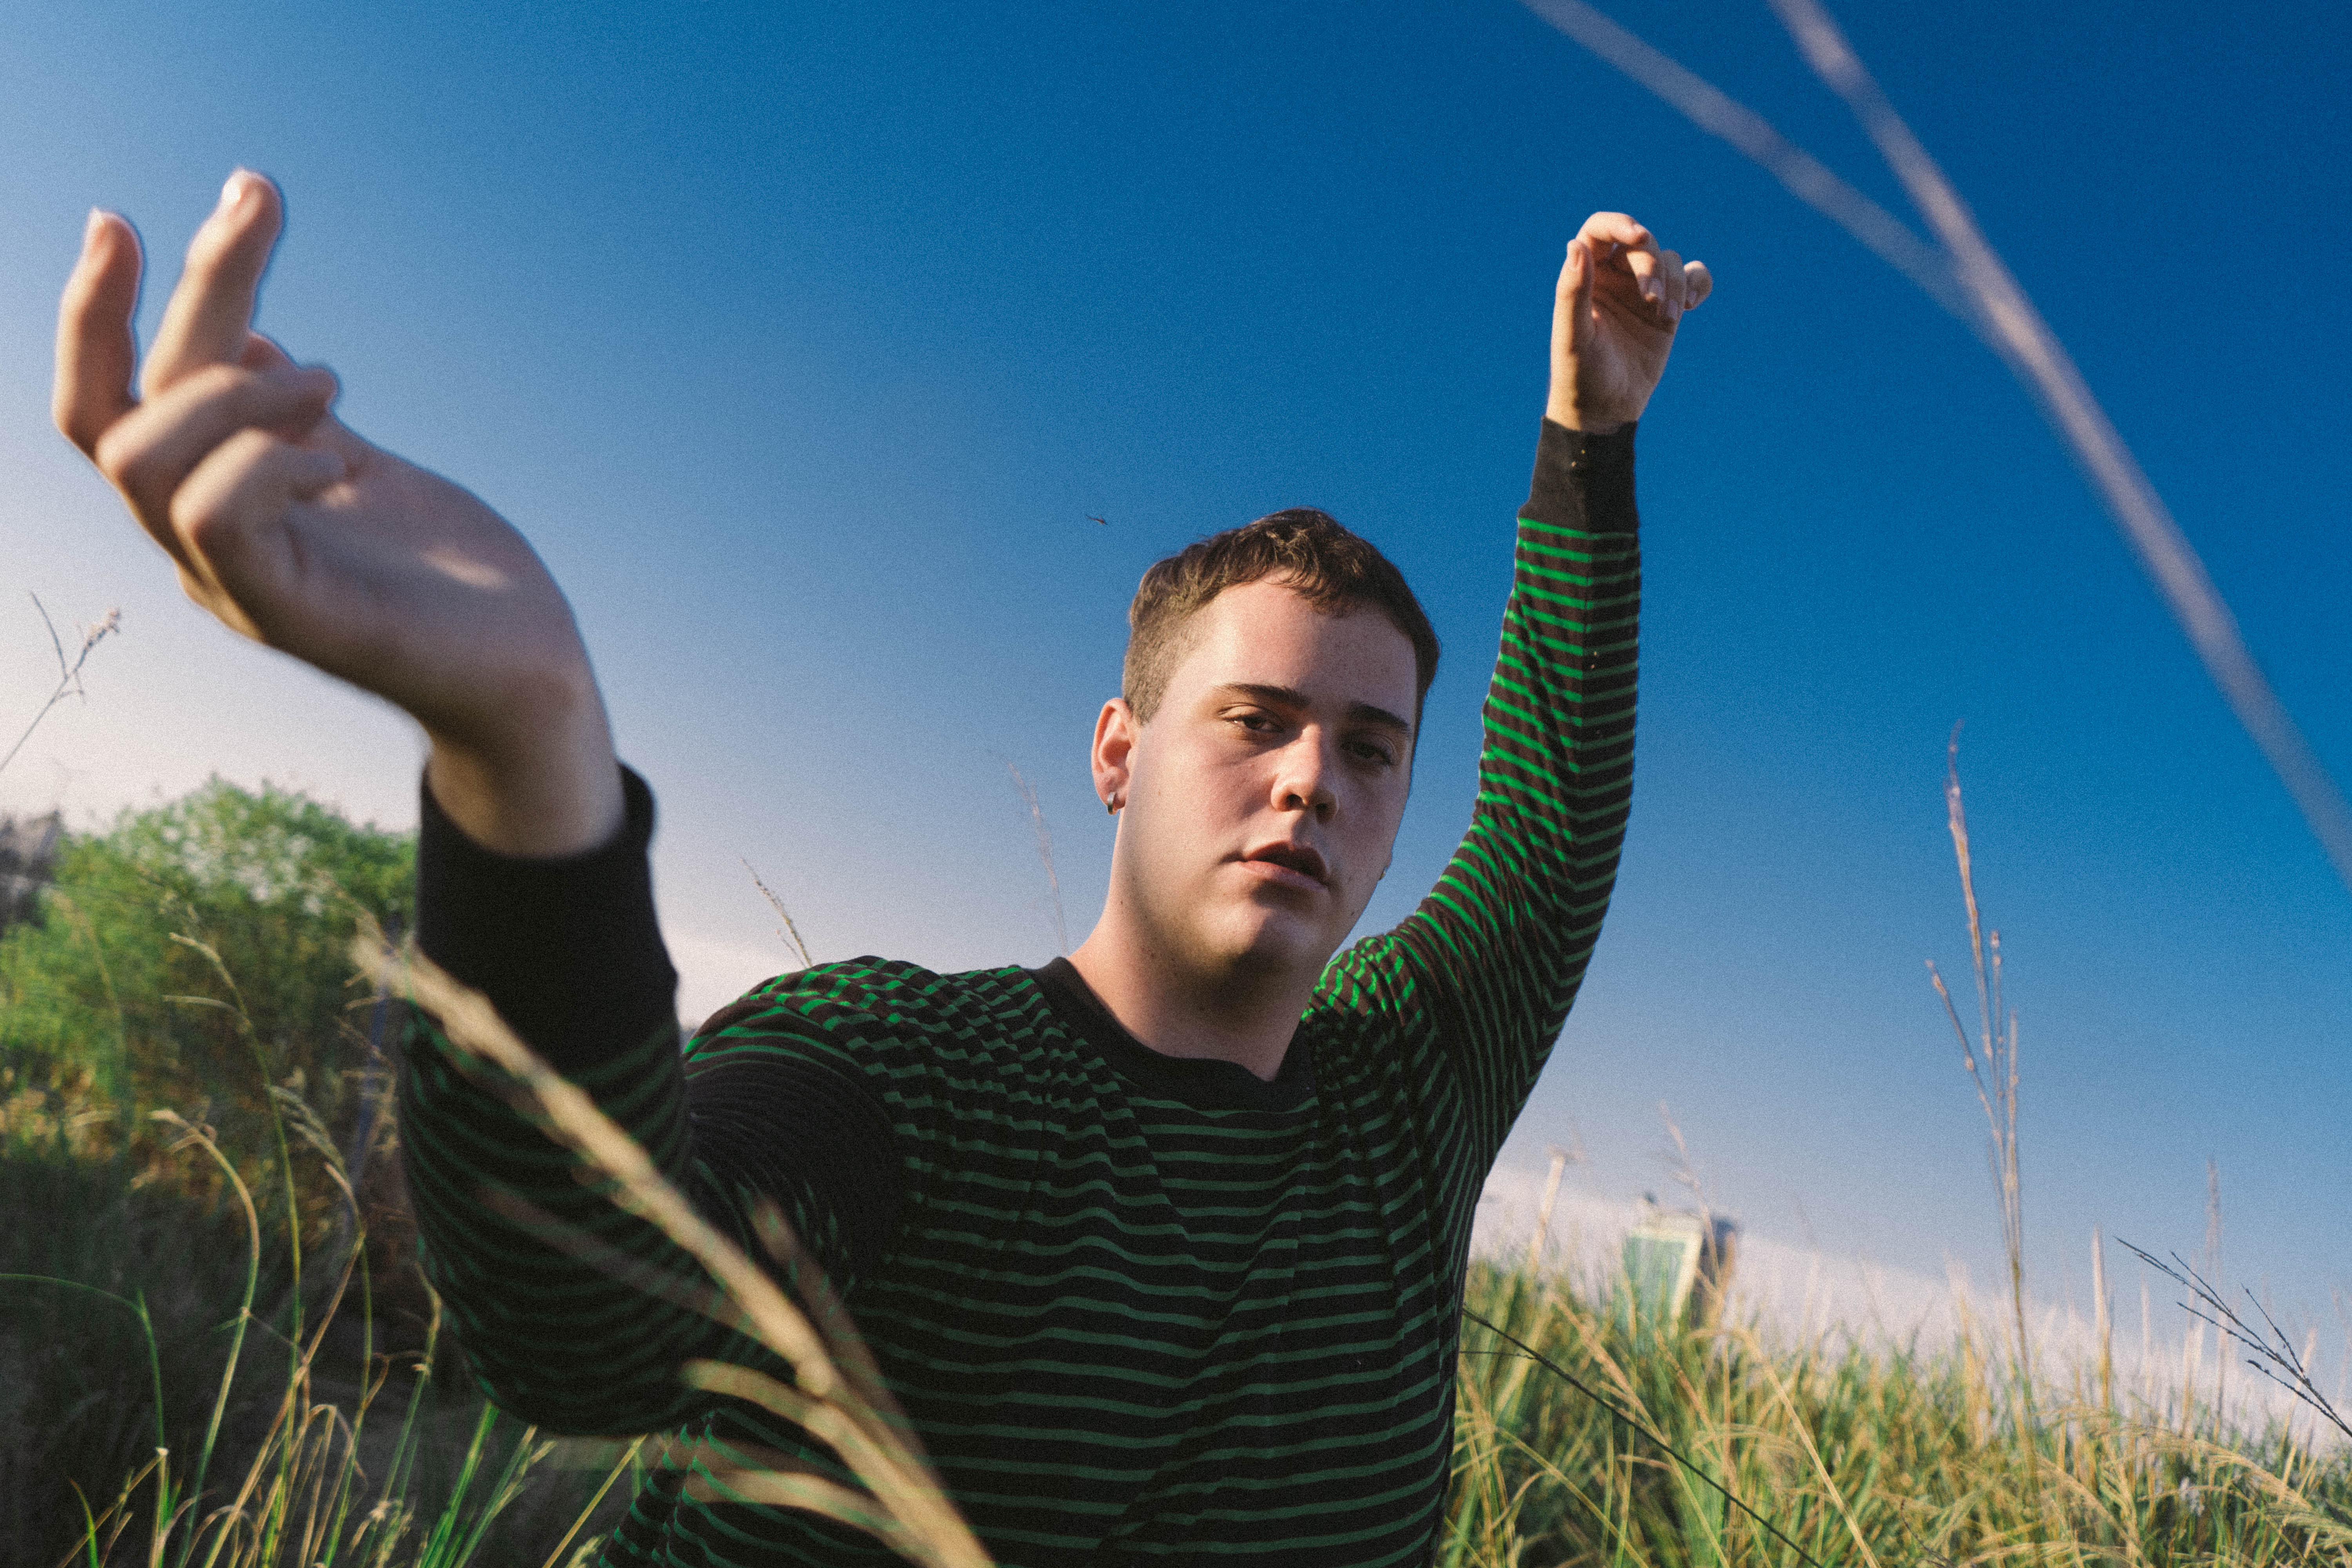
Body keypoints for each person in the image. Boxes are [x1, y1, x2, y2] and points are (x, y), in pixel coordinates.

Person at [54, 171, 1708, 1566]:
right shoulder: (910, 1070)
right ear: (1118, 752)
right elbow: (589, 1330)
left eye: (1369, 747)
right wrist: (524, 738)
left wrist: (1590, 437)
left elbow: (1551, 833)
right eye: (1256, 719)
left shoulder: (1409, 1095)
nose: (1310, 779)